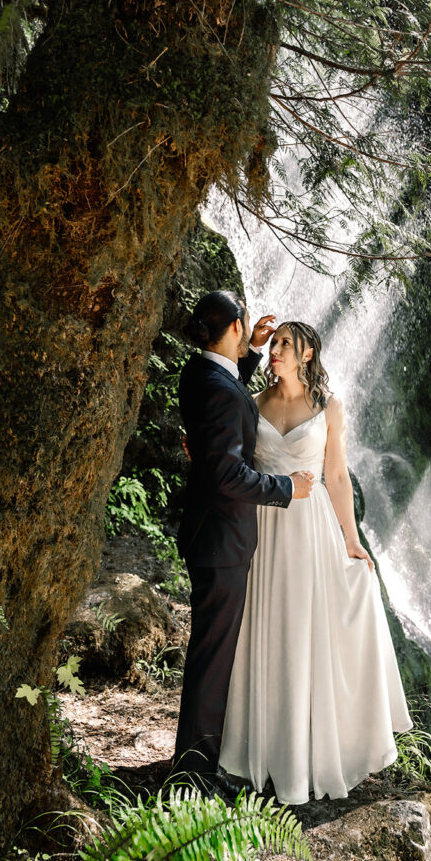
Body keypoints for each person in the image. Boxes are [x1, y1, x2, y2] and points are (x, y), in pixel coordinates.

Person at [219, 321, 413, 804]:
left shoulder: (329, 407)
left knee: (308, 631)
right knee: (268, 630)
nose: (277, 350)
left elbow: (338, 477)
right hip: (263, 528)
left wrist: (352, 539)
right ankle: (262, 750)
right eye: (275, 342)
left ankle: (310, 753)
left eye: (287, 343)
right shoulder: (254, 403)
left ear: (307, 354)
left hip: (311, 529)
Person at [173, 292, 315, 790]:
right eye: (249, 326)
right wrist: (286, 489)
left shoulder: (198, 372)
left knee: (211, 653)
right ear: (233, 326)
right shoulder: (217, 387)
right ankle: (193, 774)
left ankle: (198, 763)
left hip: (209, 534)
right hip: (222, 538)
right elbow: (226, 472)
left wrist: (251, 354)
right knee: (212, 658)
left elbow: (227, 395)